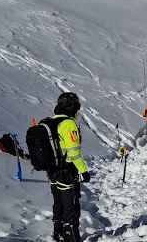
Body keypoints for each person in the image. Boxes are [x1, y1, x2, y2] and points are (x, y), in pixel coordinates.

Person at [49, 92, 90, 242]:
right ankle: (71, 237)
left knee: (58, 205)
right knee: (71, 209)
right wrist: (84, 171)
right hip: (67, 172)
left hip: (53, 173)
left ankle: (57, 234)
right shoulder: (68, 124)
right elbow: (73, 152)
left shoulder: (51, 121)